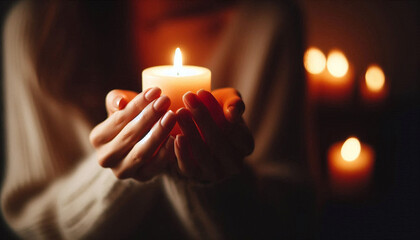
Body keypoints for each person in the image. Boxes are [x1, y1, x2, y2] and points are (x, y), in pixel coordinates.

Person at [1, 0, 309, 239]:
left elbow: (291, 222)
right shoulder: (36, 31)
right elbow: (29, 216)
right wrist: (118, 170)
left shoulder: (270, 23)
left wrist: (216, 179)